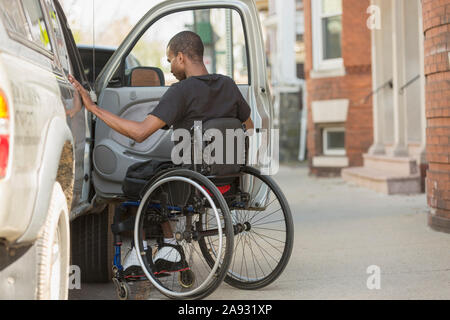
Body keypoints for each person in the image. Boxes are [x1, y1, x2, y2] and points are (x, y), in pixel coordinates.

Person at [69, 31, 254, 277]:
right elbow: (248, 127)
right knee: (160, 171)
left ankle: (145, 249)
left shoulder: (182, 91)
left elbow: (140, 133)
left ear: (181, 57)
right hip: (227, 180)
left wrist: (94, 109)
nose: (170, 69)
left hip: (194, 183)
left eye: (169, 61)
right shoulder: (228, 85)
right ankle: (168, 246)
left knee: (137, 176)